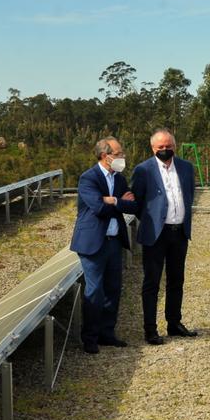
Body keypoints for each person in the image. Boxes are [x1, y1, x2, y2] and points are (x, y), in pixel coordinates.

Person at [70, 136, 140, 353]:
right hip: (93, 243)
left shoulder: (119, 179)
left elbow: (133, 206)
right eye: (118, 154)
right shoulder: (88, 179)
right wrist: (118, 202)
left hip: (113, 241)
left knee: (113, 289)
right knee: (94, 291)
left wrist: (114, 201)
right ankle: (90, 338)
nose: (122, 157)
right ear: (105, 156)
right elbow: (98, 209)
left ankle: (107, 333)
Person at [131, 129, 197, 346]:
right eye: (160, 147)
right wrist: (153, 222)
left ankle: (174, 323)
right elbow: (138, 204)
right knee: (152, 282)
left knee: (176, 280)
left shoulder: (186, 167)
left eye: (168, 146)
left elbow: (189, 195)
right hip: (156, 235)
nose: (165, 150)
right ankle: (150, 329)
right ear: (153, 148)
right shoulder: (143, 170)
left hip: (179, 233)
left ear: (174, 146)